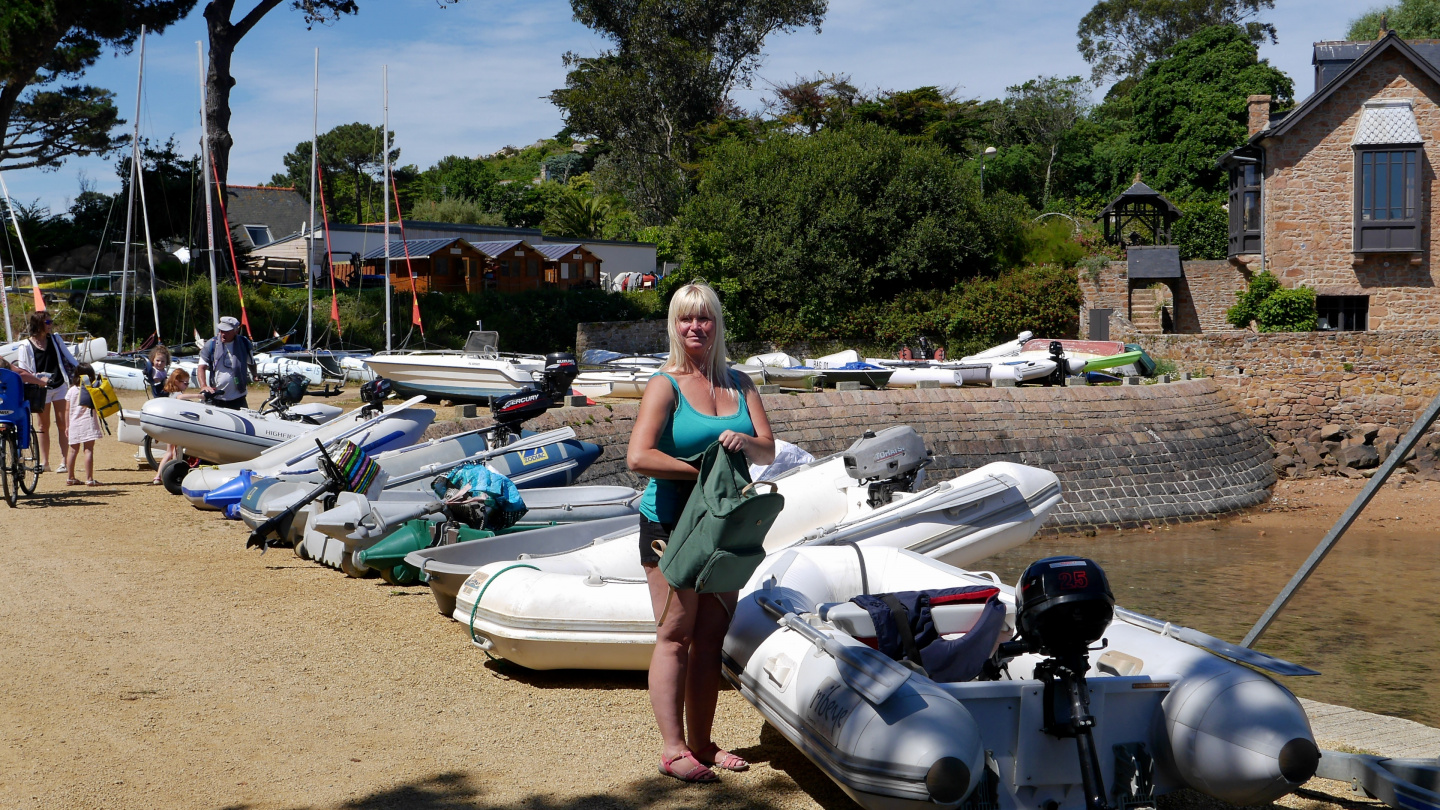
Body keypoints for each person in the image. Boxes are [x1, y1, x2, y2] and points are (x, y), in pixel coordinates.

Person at [626, 280, 775, 783]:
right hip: (671, 523)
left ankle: (704, 743)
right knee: (675, 634)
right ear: (675, 325)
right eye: (687, 318)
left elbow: (767, 451)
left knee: (711, 638)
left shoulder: (741, 384)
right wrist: (705, 476)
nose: (696, 327)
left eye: (705, 317)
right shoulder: (663, 384)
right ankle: (673, 750)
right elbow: (638, 456)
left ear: (717, 324)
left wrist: (745, 443)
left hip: (726, 526)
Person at [11, 310, 76, 473]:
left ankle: (64, 461)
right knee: (43, 425)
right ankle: (45, 462)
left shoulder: (55, 339)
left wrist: (82, 371)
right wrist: (38, 380)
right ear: (38, 324)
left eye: (50, 322)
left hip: (60, 385)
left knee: (63, 424)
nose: (50, 325)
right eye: (47, 322)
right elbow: (24, 369)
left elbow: (70, 358)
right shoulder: (25, 345)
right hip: (40, 389)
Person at [152, 368, 201, 484]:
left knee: (169, 452)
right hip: (175, 428)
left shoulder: (171, 393)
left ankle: (158, 476)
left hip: (170, 427)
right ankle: (175, 472)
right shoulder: (177, 394)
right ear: (177, 382)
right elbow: (180, 398)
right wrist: (198, 396)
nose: (187, 385)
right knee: (175, 452)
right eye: (185, 383)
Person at [197, 315, 255, 410]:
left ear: (235, 331)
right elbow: (201, 367)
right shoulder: (211, 344)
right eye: (221, 330)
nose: (223, 334)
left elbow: (251, 362)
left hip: (239, 398)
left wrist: (255, 374)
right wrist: (203, 386)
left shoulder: (244, 343)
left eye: (227, 331)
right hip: (216, 397)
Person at [64, 363, 102, 486]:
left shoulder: (71, 390)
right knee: (88, 450)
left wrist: (67, 425)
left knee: (72, 451)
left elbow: (67, 409)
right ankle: (89, 478)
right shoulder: (92, 389)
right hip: (88, 422)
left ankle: (70, 477)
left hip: (74, 423)